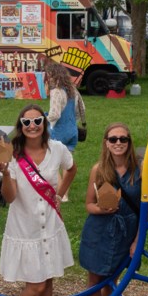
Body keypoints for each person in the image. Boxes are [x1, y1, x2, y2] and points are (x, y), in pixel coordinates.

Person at [0, 104, 77, 296]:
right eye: (26, 122)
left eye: (37, 121)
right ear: (20, 126)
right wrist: (6, 174)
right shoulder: (13, 157)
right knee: (36, 284)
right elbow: (9, 197)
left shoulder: (58, 150)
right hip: (24, 229)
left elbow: (71, 169)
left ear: (44, 123)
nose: (32, 126)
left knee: (48, 277)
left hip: (50, 226)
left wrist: (60, 194)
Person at [78, 122, 141, 296]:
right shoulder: (98, 169)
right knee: (94, 278)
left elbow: (146, 209)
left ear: (129, 142)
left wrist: (137, 241)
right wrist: (102, 209)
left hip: (126, 231)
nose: (118, 143)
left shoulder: (140, 171)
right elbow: (88, 204)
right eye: (113, 139)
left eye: (122, 139)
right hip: (100, 230)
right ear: (106, 142)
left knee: (112, 278)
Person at [45, 61, 85, 202]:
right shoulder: (73, 90)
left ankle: (60, 195)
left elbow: (55, 114)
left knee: (55, 164)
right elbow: (82, 110)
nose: (48, 78)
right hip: (72, 130)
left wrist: (44, 119)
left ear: (53, 75)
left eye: (49, 75)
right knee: (68, 166)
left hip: (58, 132)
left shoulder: (56, 91)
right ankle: (65, 196)